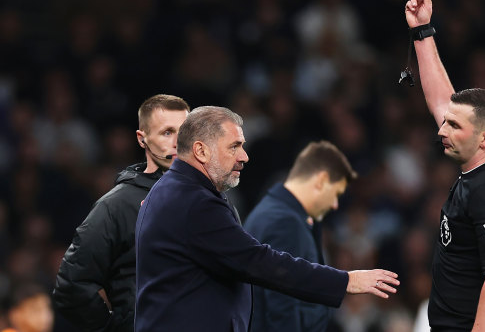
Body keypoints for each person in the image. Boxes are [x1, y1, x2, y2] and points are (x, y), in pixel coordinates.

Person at [135, 106, 400, 332]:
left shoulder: (174, 189)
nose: (244, 156)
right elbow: (258, 262)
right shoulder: (193, 202)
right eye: (234, 147)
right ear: (201, 151)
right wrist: (346, 281)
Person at [405, 0, 485, 331]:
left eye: (453, 126)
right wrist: (422, 30)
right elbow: (444, 102)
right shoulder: (479, 170)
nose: (441, 129)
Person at [52, 94, 190, 332]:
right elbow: (72, 285)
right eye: (167, 132)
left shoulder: (212, 199)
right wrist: (118, 326)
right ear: (142, 138)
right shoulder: (117, 205)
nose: (179, 141)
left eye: (185, 131)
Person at [244, 140, 358, 332]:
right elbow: (281, 307)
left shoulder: (274, 212)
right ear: (321, 180)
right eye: (336, 193)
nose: (335, 205)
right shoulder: (284, 223)